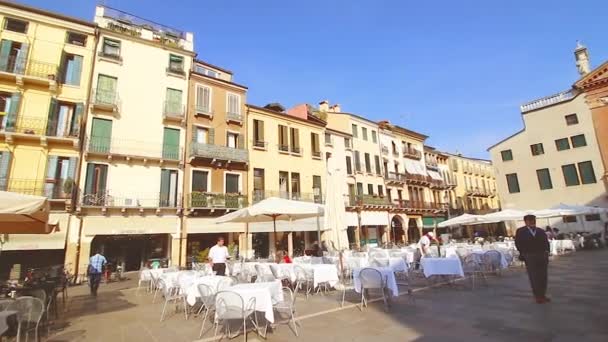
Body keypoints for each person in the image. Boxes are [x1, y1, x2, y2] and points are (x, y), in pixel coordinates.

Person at [515, 215, 550, 304]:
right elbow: (518, 243)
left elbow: (546, 242)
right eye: (529, 220)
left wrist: (547, 252)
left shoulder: (540, 231)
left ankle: (543, 294)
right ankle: (537, 296)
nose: (532, 222)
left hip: (542, 256)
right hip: (529, 256)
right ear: (525, 222)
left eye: (533, 220)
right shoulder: (521, 231)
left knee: (543, 276)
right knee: (534, 276)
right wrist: (523, 253)